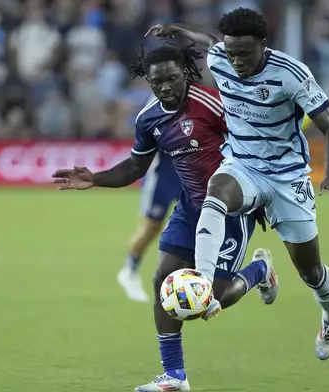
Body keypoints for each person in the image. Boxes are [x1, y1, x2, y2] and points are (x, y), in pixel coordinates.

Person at [51, 43, 278, 392]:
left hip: (230, 209)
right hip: (189, 209)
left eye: (172, 78)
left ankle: (261, 270)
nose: (166, 87)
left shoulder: (211, 104)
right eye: (158, 82)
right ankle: (174, 376)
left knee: (213, 298)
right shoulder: (149, 118)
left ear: (184, 74)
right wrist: (95, 178)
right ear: (149, 81)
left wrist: (261, 195)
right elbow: (135, 166)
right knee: (162, 278)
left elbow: (254, 144)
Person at [146, 7, 329, 361]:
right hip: (243, 166)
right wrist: (175, 28)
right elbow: (208, 40)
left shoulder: (291, 74)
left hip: (287, 177)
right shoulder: (220, 55)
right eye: (231, 52)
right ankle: (203, 284)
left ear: (263, 45)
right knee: (216, 193)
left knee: (310, 270)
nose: (236, 61)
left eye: (244, 53)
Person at [117, 151, 181, 303]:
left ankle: (192, 281)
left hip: (190, 173)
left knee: (197, 223)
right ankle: (129, 271)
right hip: (162, 176)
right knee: (151, 229)